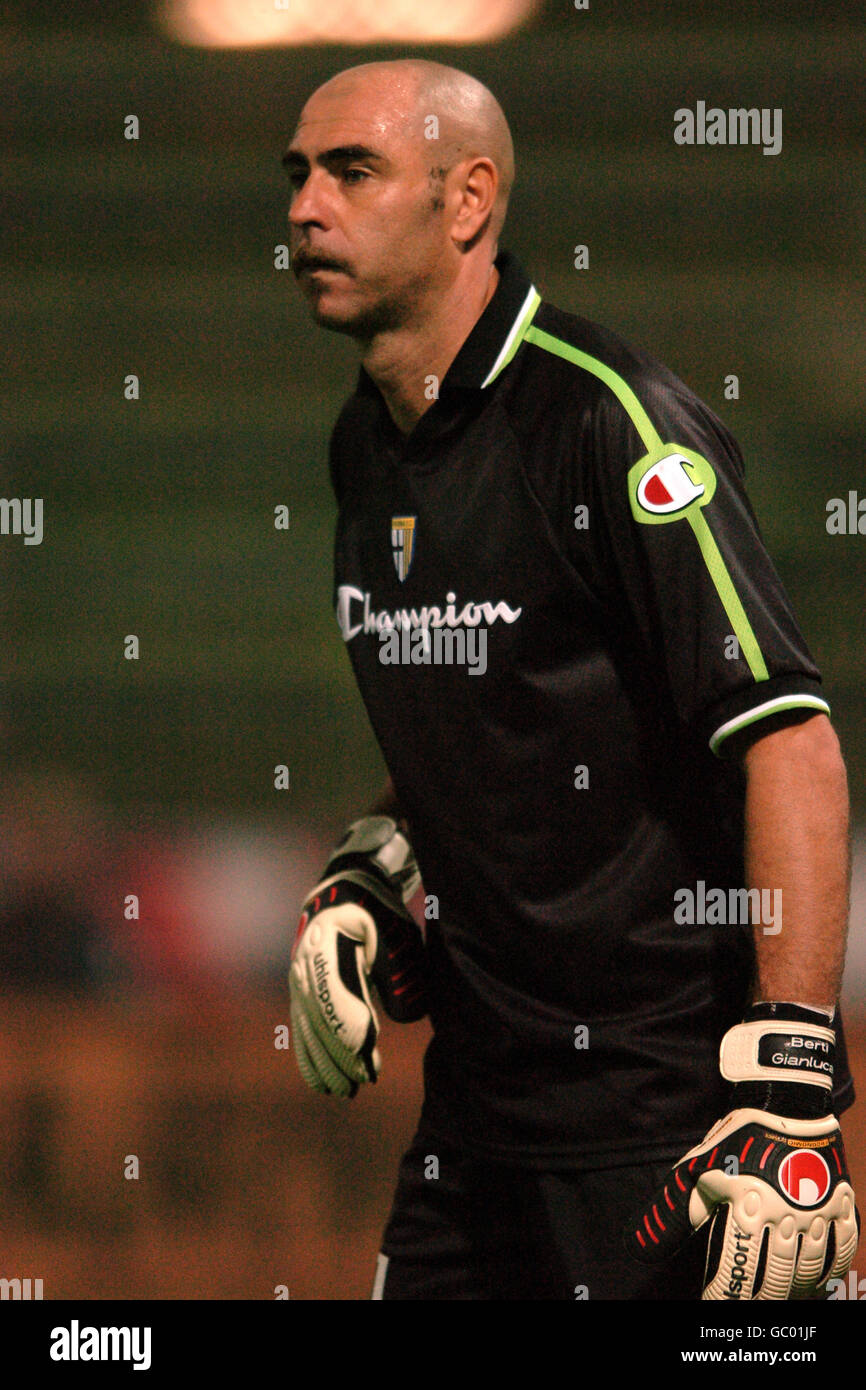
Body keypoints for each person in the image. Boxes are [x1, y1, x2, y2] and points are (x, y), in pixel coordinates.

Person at [284, 58, 858, 1300]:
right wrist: (372, 876)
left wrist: (789, 1091)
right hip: (476, 1128)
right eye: (298, 174)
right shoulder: (362, 444)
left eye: (352, 170)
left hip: (668, 1127)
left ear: (467, 198)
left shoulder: (612, 422)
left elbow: (789, 740)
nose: (304, 207)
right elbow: (483, 722)